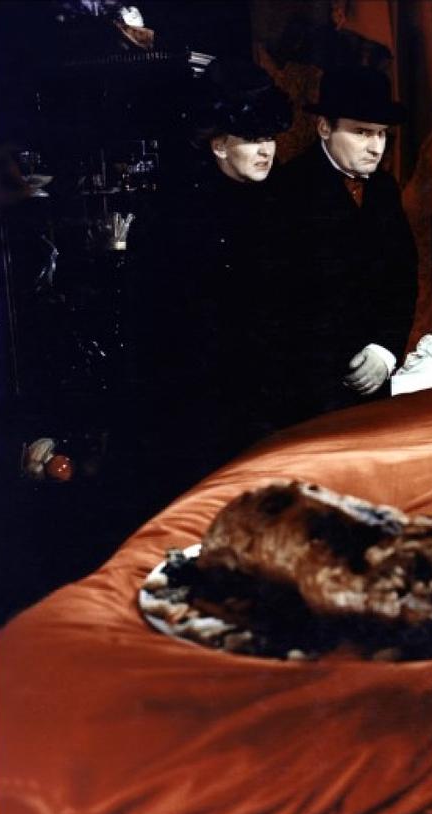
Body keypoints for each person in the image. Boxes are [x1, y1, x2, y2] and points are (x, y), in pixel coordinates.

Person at [126, 58, 293, 511]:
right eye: (253, 140)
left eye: (270, 138)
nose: (266, 151)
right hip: (199, 397)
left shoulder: (283, 202)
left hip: (272, 391)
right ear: (219, 146)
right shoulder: (173, 216)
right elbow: (157, 324)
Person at [274, 65, 418, 413]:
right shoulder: (285, 191)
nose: (376, 148)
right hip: (306, 389)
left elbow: (402, 277)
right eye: (362, 133)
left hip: (374, 379)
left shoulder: (384, 188)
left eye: (382, 134)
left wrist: (384, 351)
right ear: (324, 127)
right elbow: (280, 305)